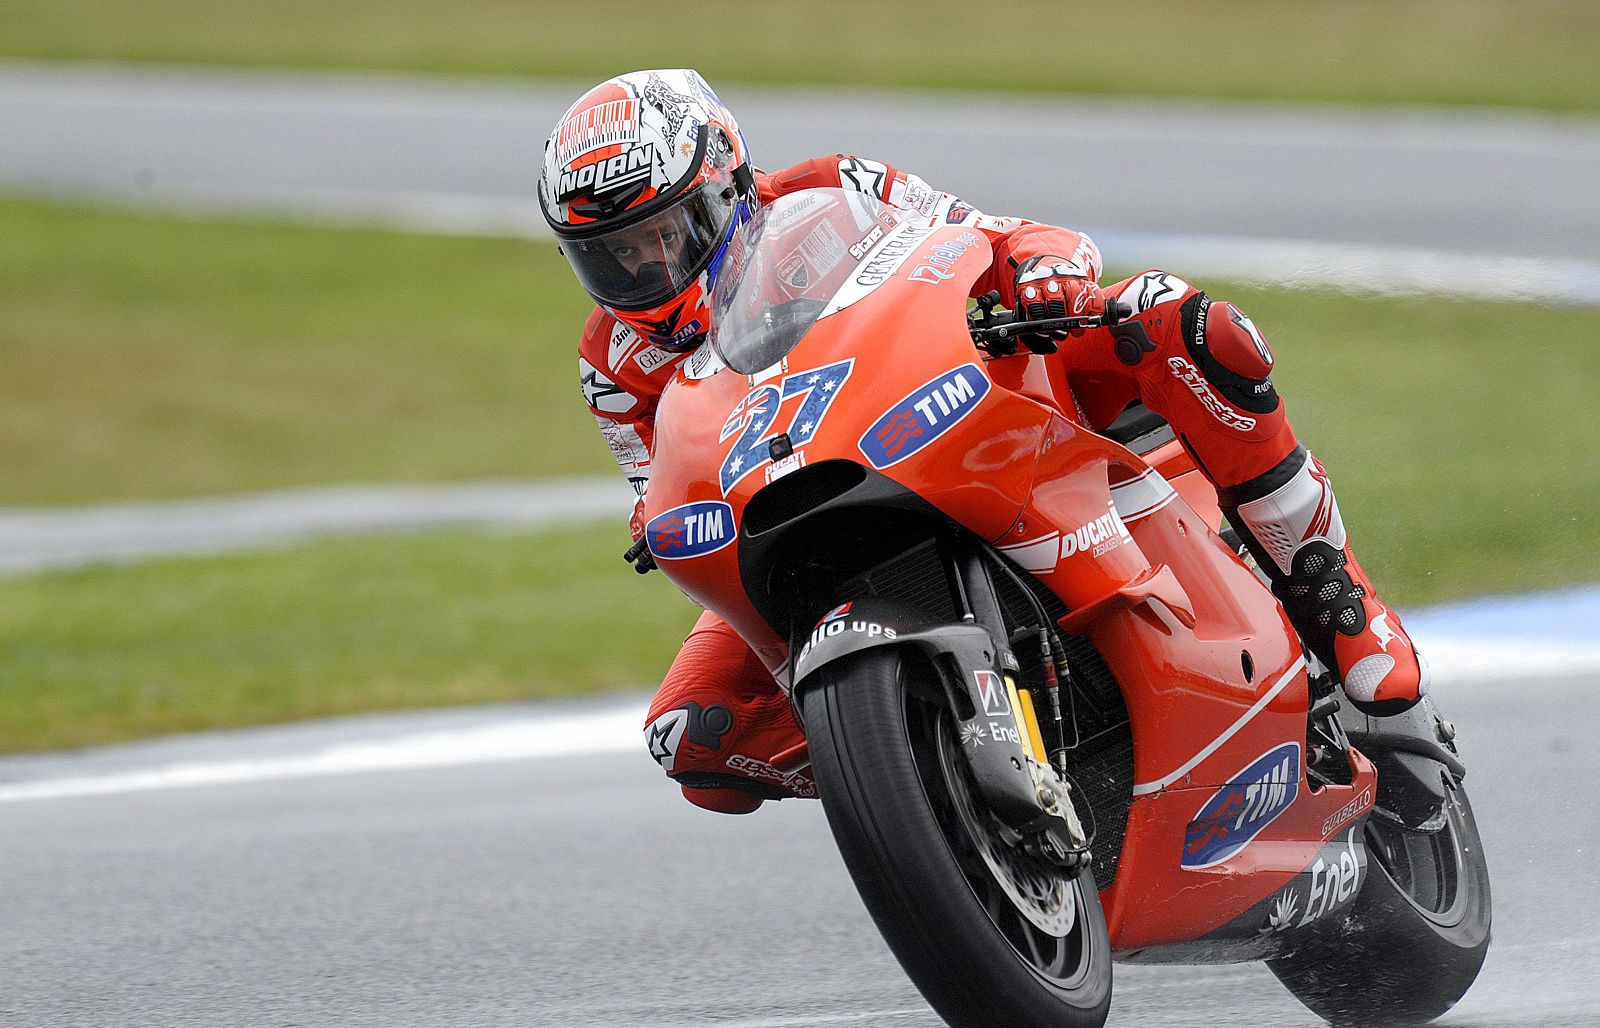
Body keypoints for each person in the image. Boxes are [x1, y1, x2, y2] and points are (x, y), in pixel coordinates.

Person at [538, 69, 1441, 815]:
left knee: (1178, 320)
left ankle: (1332, 591)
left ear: (728, 179)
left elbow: (991, 234)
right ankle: (923, 763)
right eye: (614, 255)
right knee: (692, 736)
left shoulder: (830, 188)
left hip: (944, 402)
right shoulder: (609, 360)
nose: (649, 269)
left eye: (667, 232)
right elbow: (658, 481)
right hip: (791, 502)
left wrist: (1044, 271)